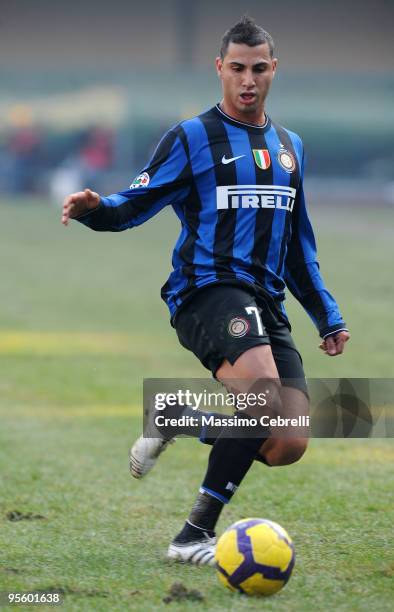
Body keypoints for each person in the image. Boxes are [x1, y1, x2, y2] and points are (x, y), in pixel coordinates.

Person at [61, 16, 350, 566]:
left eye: (258, 69)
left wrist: (327, 315)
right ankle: (192, 536)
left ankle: (182, 416)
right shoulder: (191, 138)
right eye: (237, 68)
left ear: (273, 71)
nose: (247, 80)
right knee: (263, 396)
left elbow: (297, 244)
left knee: (287, 442)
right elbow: (133, 203)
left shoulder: (292, 148)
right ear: (219, 69)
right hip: (206, 291)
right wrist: (98, 209)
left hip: (266, 303)